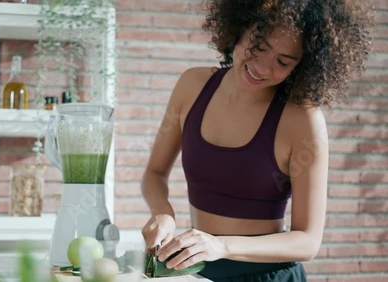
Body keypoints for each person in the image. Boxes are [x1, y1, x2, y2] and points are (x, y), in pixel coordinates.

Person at [140, 0, 374, 281]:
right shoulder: (193, 85)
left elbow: (308, 242)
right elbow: (154, 174)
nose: (261, 67)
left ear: (301, 66)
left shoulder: (303, 120)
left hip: (267, 275)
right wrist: (162, 212)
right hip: (197, 271)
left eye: (283, 61)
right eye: (259, 46)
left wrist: (221, 245)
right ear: (239, 28)